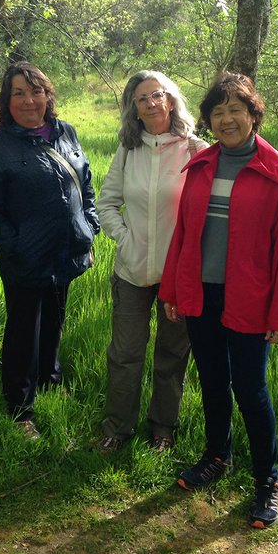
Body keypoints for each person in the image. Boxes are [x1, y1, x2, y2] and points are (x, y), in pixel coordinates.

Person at [159, 71, 278, 528]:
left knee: (251, 390)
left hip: (251, 300)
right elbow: (183, 234)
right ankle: (217, 456)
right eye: (217, 112)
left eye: (235, 110)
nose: (226, 119)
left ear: (253, 113)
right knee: (213, 381)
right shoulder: (201, 166)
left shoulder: (276, 173)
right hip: (202, 295)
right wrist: (173, 291)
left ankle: (267, 480)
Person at [0, 61, 99, 440]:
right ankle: (19, 408)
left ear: (48, 95)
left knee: (55, 321)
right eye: (19, 93)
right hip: (25, 258)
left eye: (36, 91)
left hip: (67, 251)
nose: (29, 101)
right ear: (6, 101)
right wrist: (16, 245)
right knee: (24, 331)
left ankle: (49, 382)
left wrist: (89, 225)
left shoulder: (67, 133)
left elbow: (86, 183)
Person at [96, 71, 208, 453]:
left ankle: (163, 429)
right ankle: (117, 428)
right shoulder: (128, 150)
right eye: (141, 99)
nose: (151, 103)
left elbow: (208, 213)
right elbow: (106, 204)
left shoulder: (196, 150)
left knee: (171, 356)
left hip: (178, 277)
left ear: (171, 100)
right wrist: (125, 240)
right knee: (125, 354)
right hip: (131, 272)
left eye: (157, 95)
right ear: (135, 110)